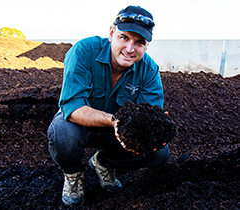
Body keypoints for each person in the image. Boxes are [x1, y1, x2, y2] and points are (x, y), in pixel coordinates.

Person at [47, 5, 170, 206]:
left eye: (139, 42)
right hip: (80, 125)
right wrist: (115, 121)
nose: (130, 49)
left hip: (116, 134)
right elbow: (73, 105)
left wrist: (156, 129)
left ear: (146, 46)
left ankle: (102, 162)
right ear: (112, 33)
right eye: (125, 38)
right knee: (62, 132)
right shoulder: (84, 51)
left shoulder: (149, 69)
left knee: (159, 153)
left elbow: (149, 115)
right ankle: (73, 174)